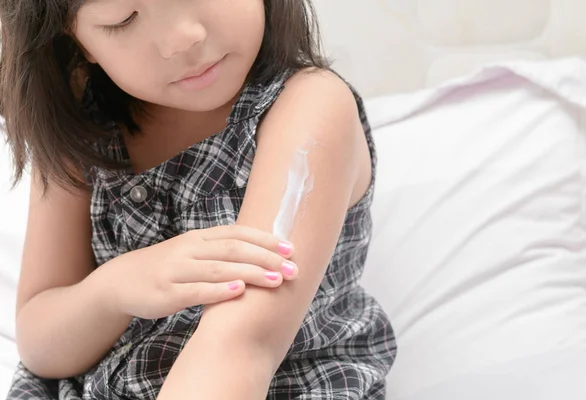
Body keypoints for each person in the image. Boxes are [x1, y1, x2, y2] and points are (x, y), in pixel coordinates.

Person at [0, 0, 397, 398]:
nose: (182, 39)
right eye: (124, 19)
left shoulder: (311, 107)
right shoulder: (82, 120)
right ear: (80, 40)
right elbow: (40, 345)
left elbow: (238, 348)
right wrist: (114, 289)